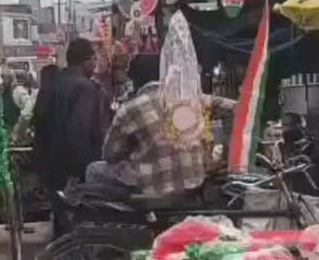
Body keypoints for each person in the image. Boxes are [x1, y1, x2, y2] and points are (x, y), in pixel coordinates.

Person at [85, 54, 236, 201]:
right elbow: (236, 108)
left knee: (94, 170)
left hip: (153, 192)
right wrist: (228, 155)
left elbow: (110, 154)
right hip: (192, 185)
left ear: (136, 80)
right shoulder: (192, 99)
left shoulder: (130, 108)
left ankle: (110, 221)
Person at [55, 38, 106, 186]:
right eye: (94, 59)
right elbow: (80, 132)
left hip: (55, 166)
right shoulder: (84, 87)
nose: (95, 64)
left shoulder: (57, 81)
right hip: (78, 169)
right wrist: (81, 173)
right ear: (86, 61)